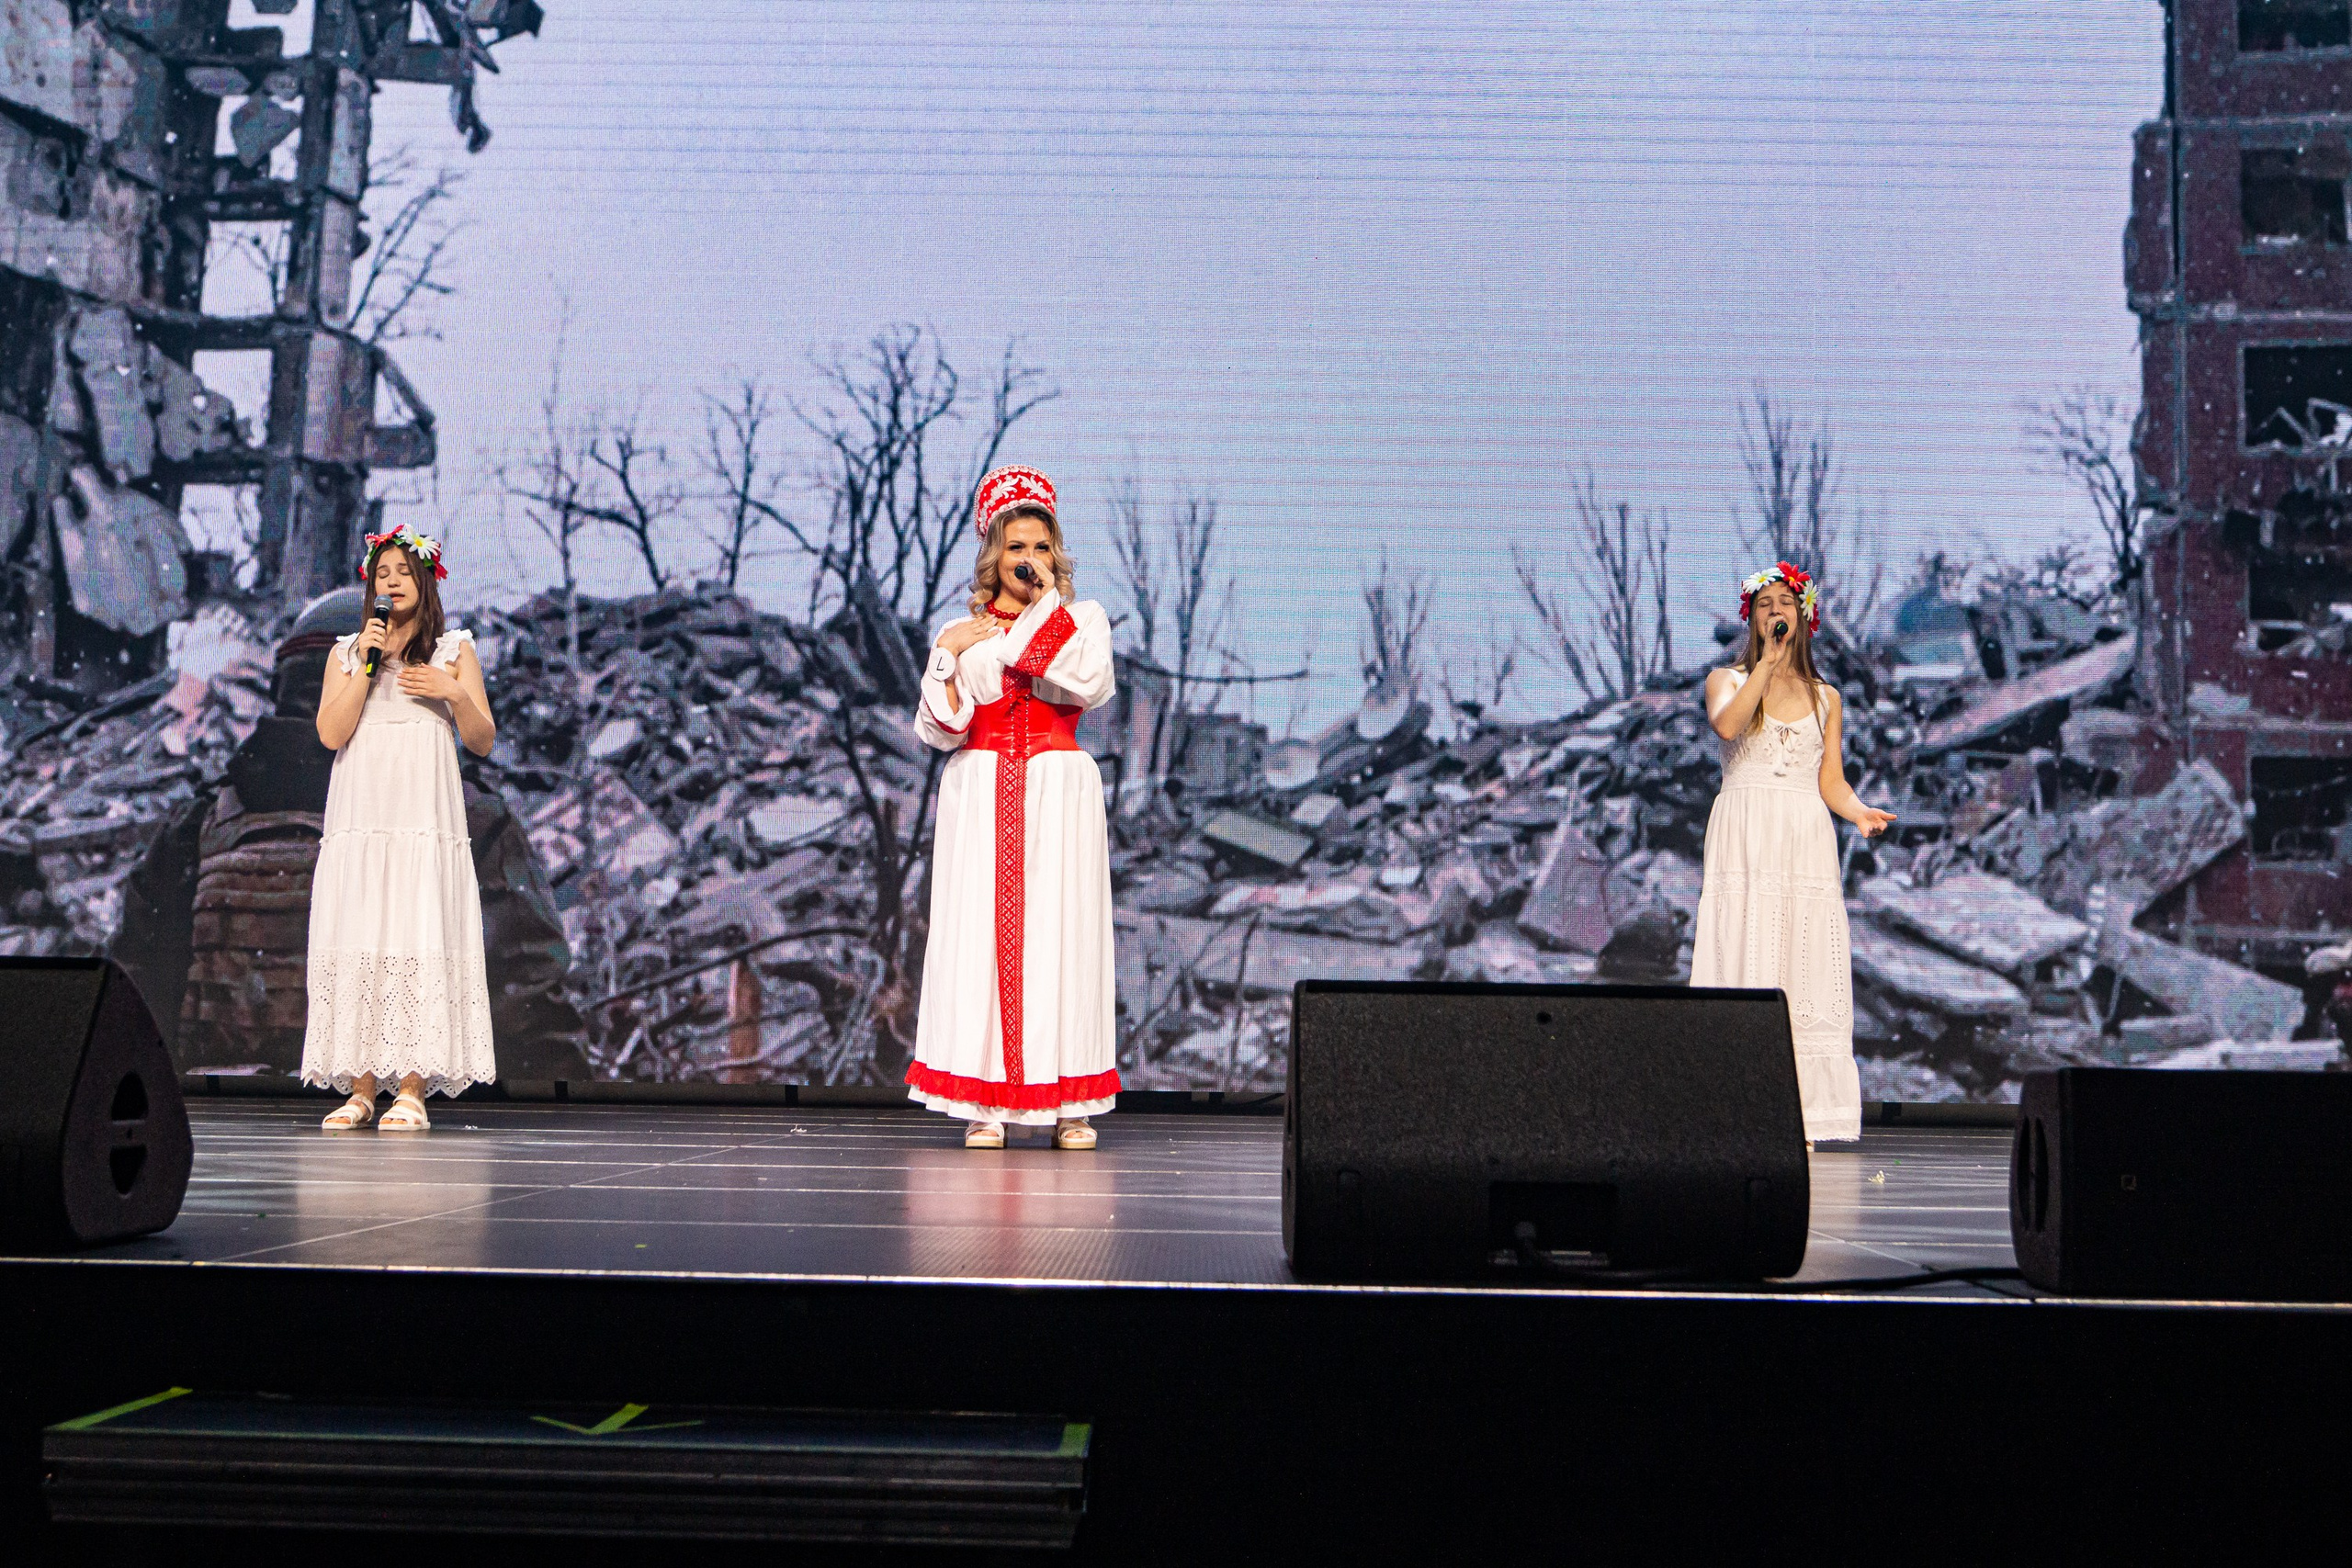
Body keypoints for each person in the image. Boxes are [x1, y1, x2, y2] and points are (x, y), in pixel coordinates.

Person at [909, 466, 1120, 1149]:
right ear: (991, 552)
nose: (1027, 560)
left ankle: (1072, 1101)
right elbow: (939, 729)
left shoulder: (1080, 619)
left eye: (1040, 546)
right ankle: (984, 1101)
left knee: (1064, 934)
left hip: (1058, 788)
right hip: (981, 784)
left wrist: (1039, 605)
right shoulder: (960, 630)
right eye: (1014, 547)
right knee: (979, 937)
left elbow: (1084, 682)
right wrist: (945, 656)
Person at [1691, 563, 1895, 1147]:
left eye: (1785, 603)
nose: (1774, 613)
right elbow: (1728, 727)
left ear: (1803, 615)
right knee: (1744, 944)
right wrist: (1767, 668)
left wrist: (1858, 812)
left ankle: (1799, 1113)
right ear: (1751, 619)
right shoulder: (1726, 680)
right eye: (1764, 605)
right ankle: (1737, 1107)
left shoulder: (1826, 698)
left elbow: (1829, 778)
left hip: (1803, 833)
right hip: (1746, 828)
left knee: (1800, 954)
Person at [303, 526, 500, 1132]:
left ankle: (410, 1087)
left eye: (402, 571)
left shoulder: (453, 650)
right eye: (381, 571)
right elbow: (331, 733)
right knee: (361, 927)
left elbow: (483, 739)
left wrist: (451, 693)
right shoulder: (347, 652)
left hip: (420, 813)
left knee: (417, 927)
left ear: (426, 580)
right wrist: (365, 663)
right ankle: (360, 1088)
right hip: (364, 812)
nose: (390, 580)